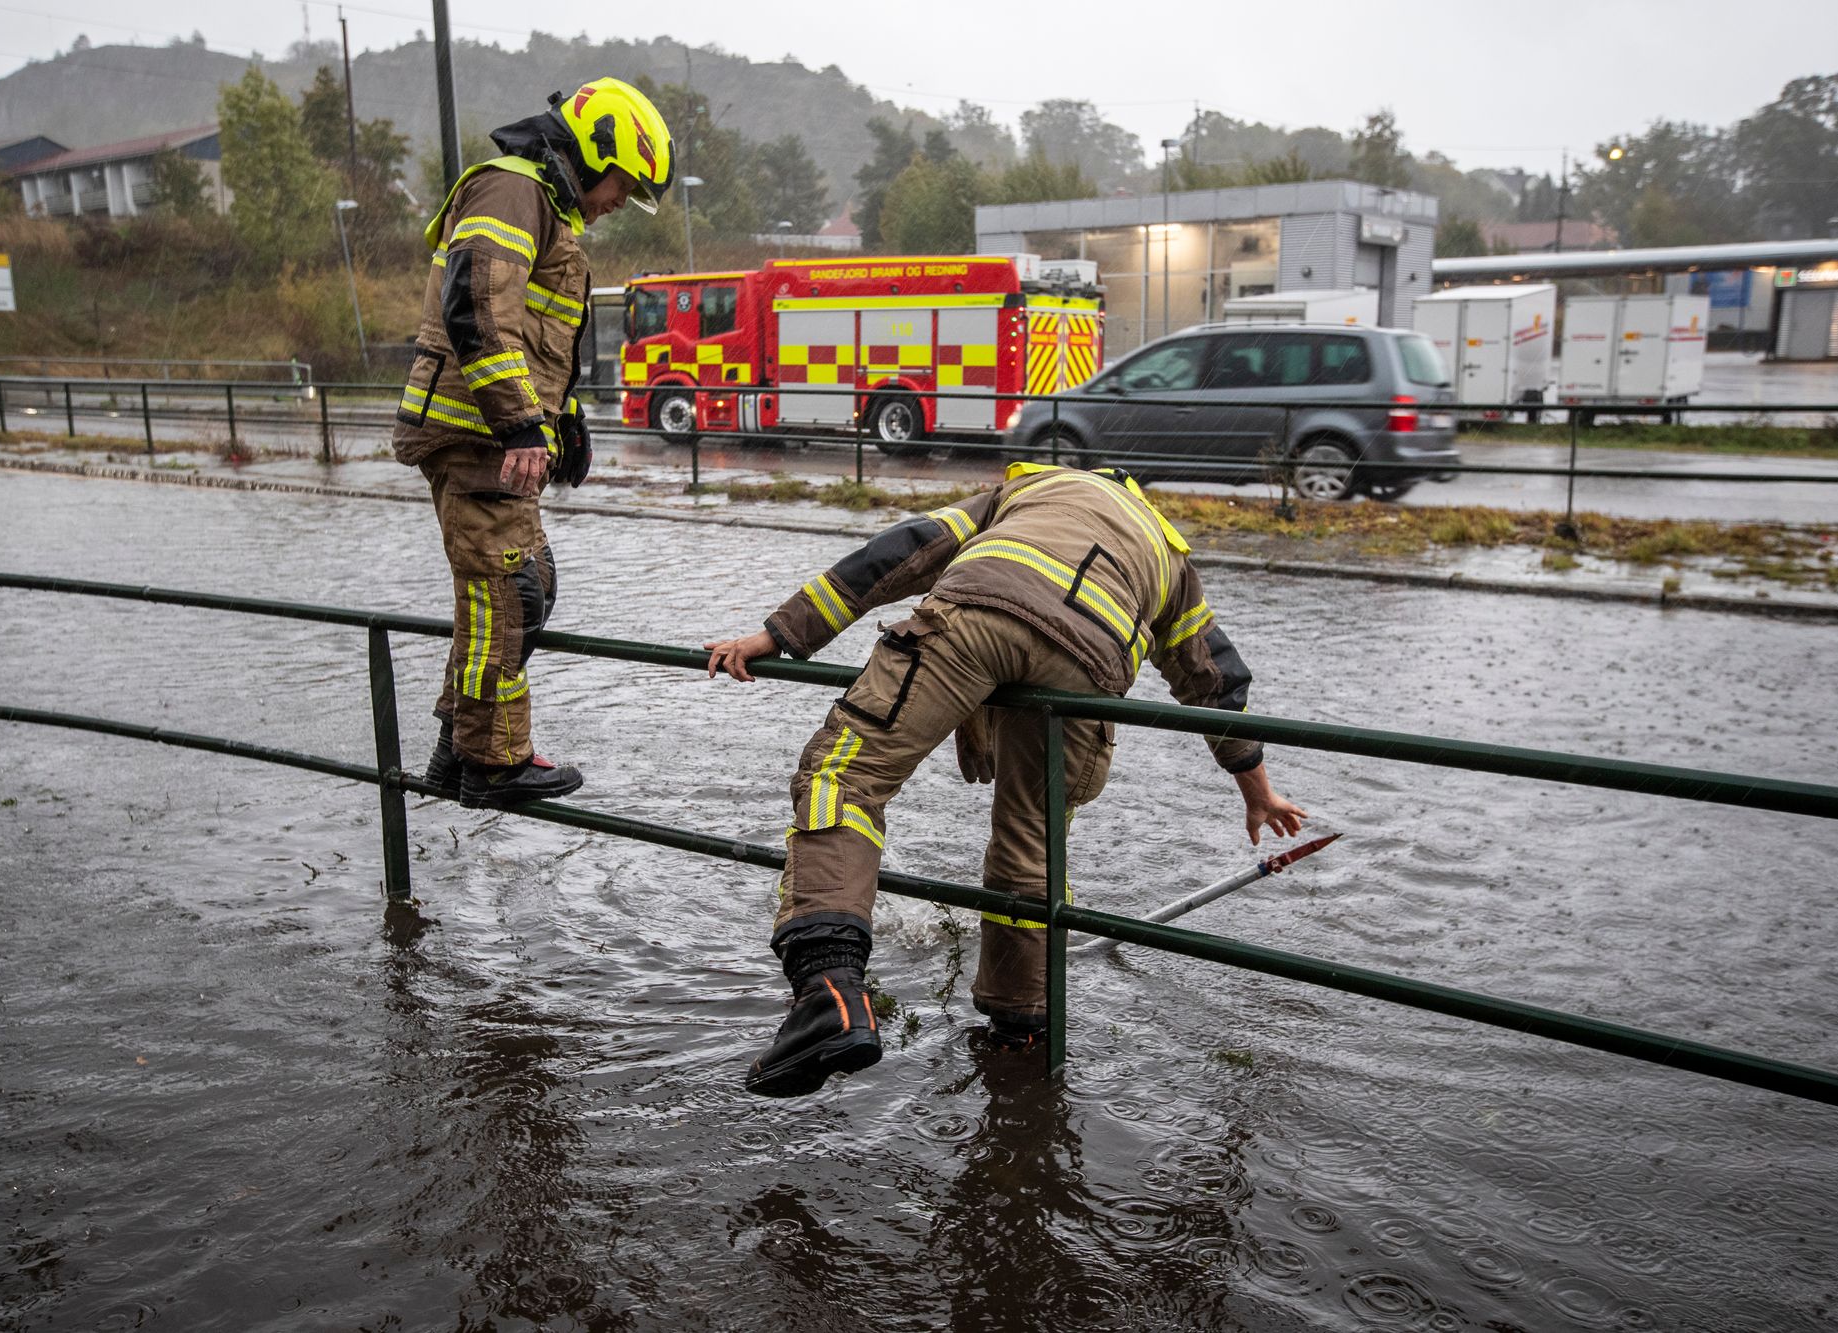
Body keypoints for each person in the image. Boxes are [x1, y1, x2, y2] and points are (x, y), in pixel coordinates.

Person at [704, 462, 1307, 1098]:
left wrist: (778, 634)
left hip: (978, 613)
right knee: (1033, 839)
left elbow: (904, 553)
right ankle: (1022, 1028)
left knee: (844, 777)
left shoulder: (1029, 488)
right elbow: (1211, 677)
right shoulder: (1167, 552)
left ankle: (829, 994)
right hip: (1091, 666)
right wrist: (1257, 790)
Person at [393, 78, 674, 809]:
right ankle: (493, 757)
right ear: (596, 151)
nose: (620, 202)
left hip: (492, 428)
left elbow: (537, 332)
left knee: (528, 585)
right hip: (477, 430)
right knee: (509, 591)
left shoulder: (541, 206)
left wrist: (563, 417)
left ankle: (458, 746)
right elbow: (477, 303)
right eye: (624, 184)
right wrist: (521, 422)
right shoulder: (512, 191)